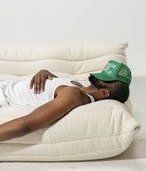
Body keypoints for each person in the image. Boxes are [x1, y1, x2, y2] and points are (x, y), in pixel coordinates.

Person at [0, 60, 132, 142]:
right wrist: (45, 72)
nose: (97, 77)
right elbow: (54, 90)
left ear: (104, 92)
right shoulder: (80, 88)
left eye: (104, 78)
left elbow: (25, 125)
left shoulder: (74, 95)